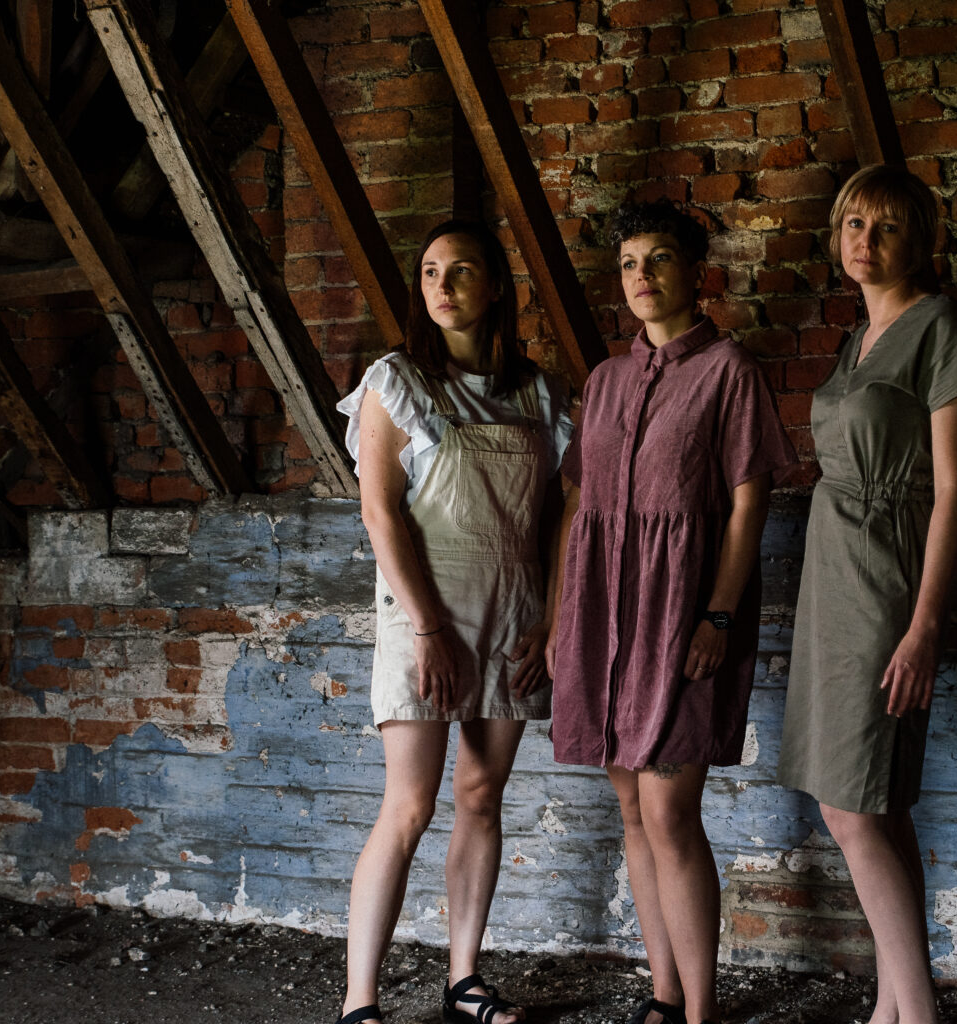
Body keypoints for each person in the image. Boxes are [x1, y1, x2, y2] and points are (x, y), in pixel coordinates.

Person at [548, 199, 795, 1024]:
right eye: (628, 263)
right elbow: (578, 504)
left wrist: (719, 616)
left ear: (695, 272)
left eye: (657, 259)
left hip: (684, 618)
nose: (641, 276)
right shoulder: (605, 380)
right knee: (631, 809)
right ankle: (664, 995)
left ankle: (701, 1012)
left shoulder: (729, 370)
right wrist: (560, 620)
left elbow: (749, 504)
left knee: (668, 811)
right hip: (602, 620)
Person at [333, 220, 573, 1024]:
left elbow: (560, 518)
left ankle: (464, 980)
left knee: (480, 796)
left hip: (512, 615)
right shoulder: (397, 380)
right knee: (409, 806)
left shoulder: (539, 394)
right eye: (431, 271)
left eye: (461, 270)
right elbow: (379, 513)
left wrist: (551, 617)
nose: (442, 285)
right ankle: (360, 1002)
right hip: (424, 617)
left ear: (495, 286)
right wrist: (429, 629)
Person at [776, 165, 957, 1024]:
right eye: (854, 223)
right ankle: (893, 1006)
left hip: (886, 575)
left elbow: (954, 489)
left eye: (888, 226)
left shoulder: (941, 327)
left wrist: (925, 624)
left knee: (850, 805)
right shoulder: (857, 338)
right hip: (831, 571)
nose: (866, 240)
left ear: (919, 242)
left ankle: (919, 1015)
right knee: (881, 805)